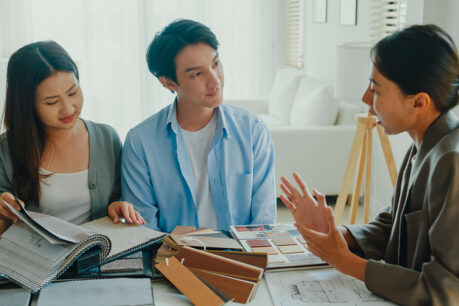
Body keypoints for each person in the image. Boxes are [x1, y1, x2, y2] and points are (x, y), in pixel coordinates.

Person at [280, 24, 459, 305]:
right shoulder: (424, 144)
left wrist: (345, 261)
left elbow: (445, 290)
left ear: (419, 102)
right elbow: (394, 224)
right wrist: (340, 235)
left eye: (375, 89)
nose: (365, 99)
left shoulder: (452, 161)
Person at [121, 19, 276, 232]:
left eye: (215, 64)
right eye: (197, 74)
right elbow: (144, 230)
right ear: (168, 82)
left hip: (243, 258)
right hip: (173, 260)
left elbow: (264, 221)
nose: (215, 81)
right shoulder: (140, 142)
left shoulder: (253, 130)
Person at [0, 41, 144, 226]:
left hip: (99, 252)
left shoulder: (107, 138)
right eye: (52, 102)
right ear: (27, 105)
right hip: (38, 255)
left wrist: (116, 206)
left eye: (73, 92)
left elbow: (117, 196)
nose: (68, 109)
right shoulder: (7, 150)